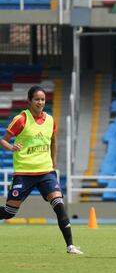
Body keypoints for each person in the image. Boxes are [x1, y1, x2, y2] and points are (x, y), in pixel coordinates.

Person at [0, 86, 83, 255]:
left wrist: (52, 163)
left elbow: (52, 142)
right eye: (37, 99)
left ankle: (70, 246)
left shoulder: (50, 120)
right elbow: (3, 140)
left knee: (59, 205)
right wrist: (11, 147)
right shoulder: (21, 119)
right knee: (9, 213)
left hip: (46, 172)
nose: (40, 102)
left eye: (43, 99)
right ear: (29, 101)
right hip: (24, 173)